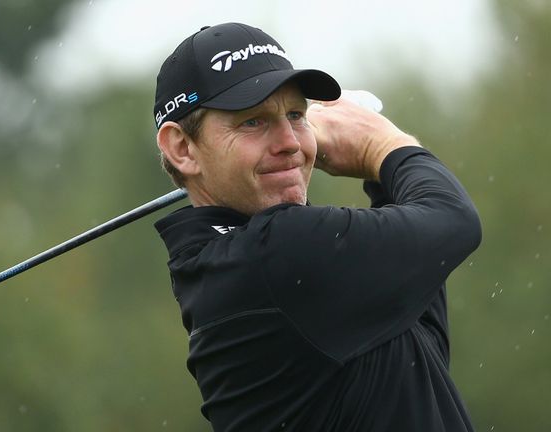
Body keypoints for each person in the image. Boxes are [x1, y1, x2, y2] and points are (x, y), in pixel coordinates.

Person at [152, 22, 482, 431]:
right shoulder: (279, 254)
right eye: (253, 121)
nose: (290, 141)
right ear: (183, 148)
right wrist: (381, 144)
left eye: (296, 115)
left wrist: (380, 177)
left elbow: (423, 353)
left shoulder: (229, 266)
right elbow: (454, 221)